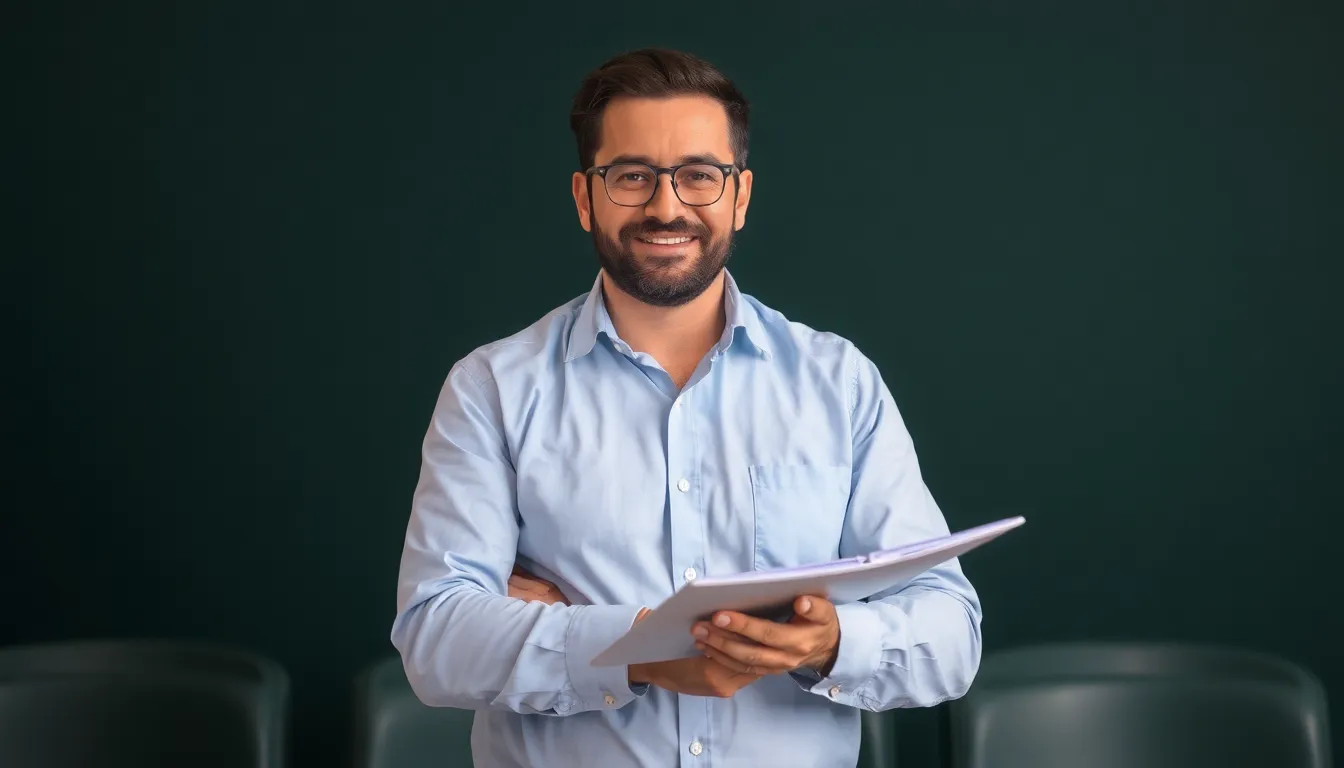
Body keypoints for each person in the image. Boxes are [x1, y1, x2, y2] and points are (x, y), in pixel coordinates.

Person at [391, 47, 983, 768]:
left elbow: (951, 635)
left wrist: (834, 641)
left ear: (739, 195)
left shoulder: (839, 382)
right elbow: (436, 637)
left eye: (699, 176)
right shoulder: (492, 388)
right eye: (632, 176)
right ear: (585, 198)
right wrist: (633, 651)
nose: (667, 206)